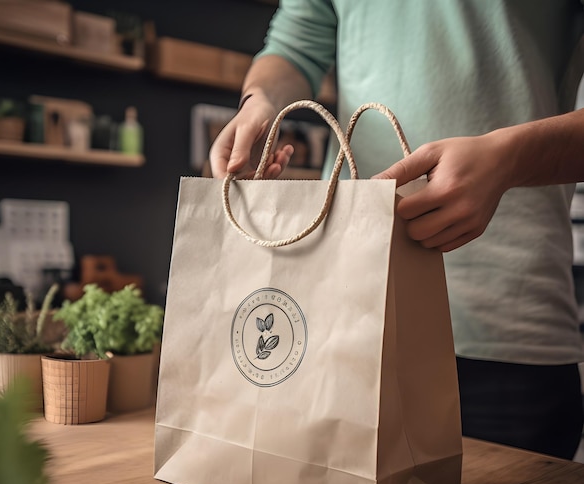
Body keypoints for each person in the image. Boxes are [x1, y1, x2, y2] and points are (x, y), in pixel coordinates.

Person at [209, 0, 584, 460]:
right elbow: (293, 46)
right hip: (340, 312)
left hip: (506, 332)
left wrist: (509, 159)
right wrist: (259, 102)